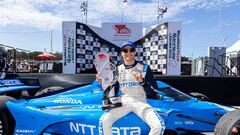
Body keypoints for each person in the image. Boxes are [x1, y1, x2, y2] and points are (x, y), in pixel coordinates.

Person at [97, 41, 165, 135]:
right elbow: (113, 92)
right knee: (104, 121)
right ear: (121, 53)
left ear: (135, 52)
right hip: (124, 101)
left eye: (131, 50)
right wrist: (104, 83)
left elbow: (154, 92)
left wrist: (142, 81)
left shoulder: (144, 68)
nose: (128, 53)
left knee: (158, 126)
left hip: (141, 102)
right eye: (125, 50)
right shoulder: (117, 69)